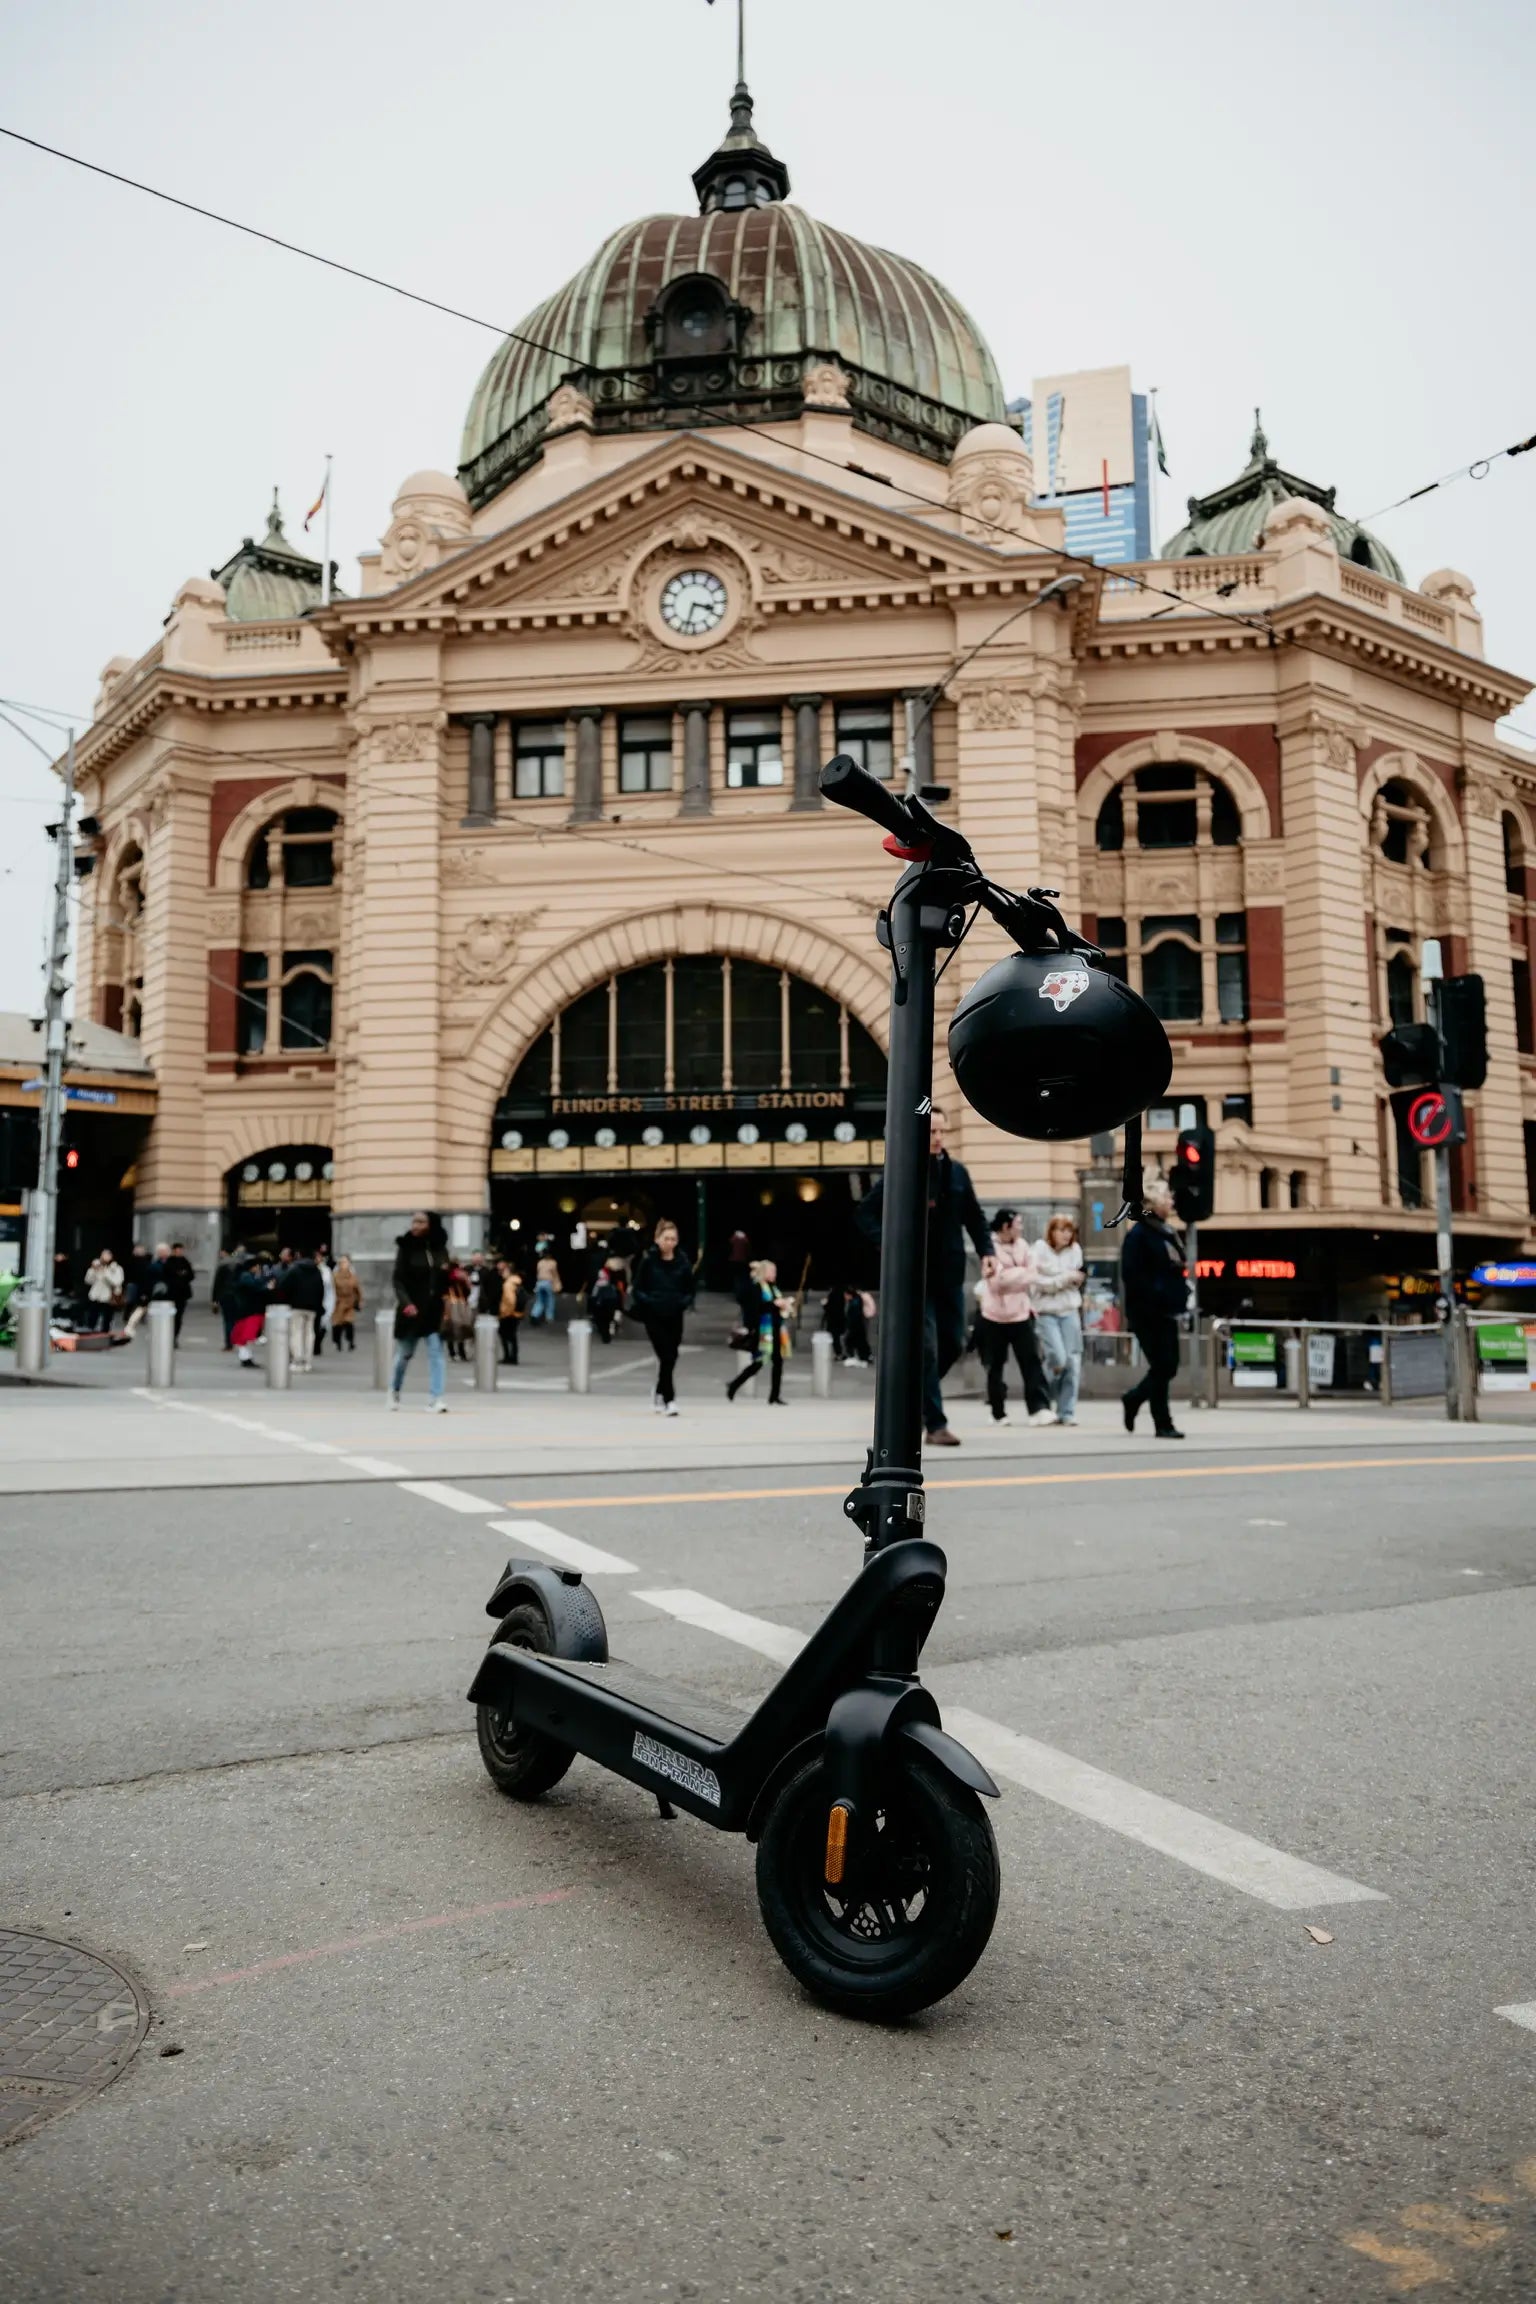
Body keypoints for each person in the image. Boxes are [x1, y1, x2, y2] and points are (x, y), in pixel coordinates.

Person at [858, 1103, 993, 1448]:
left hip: (950, 1275)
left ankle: (914, 1403)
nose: (937, 1138)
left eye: (941, 1132)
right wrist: (889, 1245)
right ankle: (935, 1424)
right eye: (931, 1132)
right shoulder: (902, 1171)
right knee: (928, 1349)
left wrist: (987, 1253)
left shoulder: (958, 1173)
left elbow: (975, 1218)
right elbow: (866, 1214)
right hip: (913, 1278)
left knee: (953, 1344)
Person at [1120, 1176, 1189, 1438]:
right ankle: (1161, 1421)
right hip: (1147, 1312)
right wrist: (1156, 1295)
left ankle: (1137, 1401)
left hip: (1167, 1309)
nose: (1171, 1202)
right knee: (1163, 1366)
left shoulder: (1165, 1231)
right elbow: (1132, 1275)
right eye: (1167, 1197)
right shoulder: (1138, 1234)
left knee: (1167, 1366)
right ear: (1155, 1201)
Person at [976, 1210, 1054, 1426]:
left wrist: (1013, 1275)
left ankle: (1039, 1409)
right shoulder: (989, 1247)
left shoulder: (1023, 1246)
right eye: (1017, 1223)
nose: (1020, 1227)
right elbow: (996, 1282)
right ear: (1005, 1226)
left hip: (1021, 1314)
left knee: (1031, 1362)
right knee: (995, 1366)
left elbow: (1033, 1272)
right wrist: (1021, 1274)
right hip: (994, 1316)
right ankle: (998, 1412)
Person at [629, 1217, 695, 1415]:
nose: (670, 1243)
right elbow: (637, 1288)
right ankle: (670, 1399)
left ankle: (659, 1390)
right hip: (654, 1314)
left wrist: (682, 1302)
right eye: (666, 1238)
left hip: (674, 1314)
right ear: (657, 1239)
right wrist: (649, 1302)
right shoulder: (648, 1261)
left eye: (673, 1239)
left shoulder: (683, 1262)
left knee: (672, 1355)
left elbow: (689, 1289)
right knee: (665, 1354)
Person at [390, 1211, 451, 1411]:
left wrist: (453, 1274)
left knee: (436, 1353)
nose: (415, 1225)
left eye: (421, 1222)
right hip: (412, 1310)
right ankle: (394, 1391)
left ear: (431, 1224)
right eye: (414, 1221)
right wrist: (406, 1303)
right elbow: (398, 1279)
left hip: (433, 1310)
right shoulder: (406, 1247)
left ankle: (436, 1398)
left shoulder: (440, 1248)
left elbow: (444, 1278)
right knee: (404, 1355)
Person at [1032, 1212, 1085, 1427]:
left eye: (1069, 1230)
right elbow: (1038, 1282)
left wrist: (1059, 1279)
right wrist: (1064, 1278)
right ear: (1052, 1231)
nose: (1066, 1235)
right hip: (1046, 1312)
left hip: (1069, 1309)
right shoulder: (1039, 1250)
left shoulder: (1075, 1251)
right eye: (1062, 1230)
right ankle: (1042, 1399)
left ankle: (1067, 1410)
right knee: (1057, 1358)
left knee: (1072, 1362)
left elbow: (1076, 1278)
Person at [728, 1258, 791, 1404]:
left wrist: (784, 1305)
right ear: (764, 1272)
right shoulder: (757, 1287)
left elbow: (775, 1306)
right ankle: (734, 1384)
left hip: (776, 1328)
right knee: (759, 1362)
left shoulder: (773, 1287)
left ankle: (774, 1395)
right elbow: (757, 1308)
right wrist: (775, 1304)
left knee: (778, 1362)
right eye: (772, 1271)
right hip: (763, 1330)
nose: (774, 1274)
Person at [275, 1246, 324, 1371]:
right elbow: (321, 1289)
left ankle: (298, 1360)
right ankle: (308, 1361)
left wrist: (285, 1299)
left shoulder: (294, 1269)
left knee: (296, 1332)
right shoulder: (317, 1271)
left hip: (296, 1305)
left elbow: (283, 1286)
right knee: (309, 1333)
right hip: (312, 1307)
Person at [231, 1254, 270, 1366]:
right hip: (249, 1310)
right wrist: (266, 1287)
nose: (258, 1269)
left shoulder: (246, 1276)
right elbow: (255, 1289)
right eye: (257, 1266)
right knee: (247, 1335)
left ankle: (246, 1357)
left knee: (245, 1336)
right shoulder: (247, 1277)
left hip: (247, 1310)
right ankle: (246, 1357)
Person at [83, 1249, 123, 1332]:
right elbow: (88, 1281)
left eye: (107, 1256)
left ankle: (105, 1333)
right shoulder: (97, 1267)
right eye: (103, 1256)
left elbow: (117, 1282)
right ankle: (91, 1330)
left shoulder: (116, 1268)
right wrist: (93, 1270)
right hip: (96, 1295)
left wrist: (105, 1273)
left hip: (108, 1297)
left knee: (107, 1318)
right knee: (92, 1315)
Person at [442, 1266, 475, 1361]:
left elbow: (468, 1292)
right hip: (452, 1307)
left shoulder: (461, 1281)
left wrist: (466, 1281)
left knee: (460, 1329)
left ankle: (460, 1352)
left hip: (459, 1307)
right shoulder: (449, 1280)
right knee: (452, 1328)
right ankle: (453, 1352)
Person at [496, 1258, 526, 1363]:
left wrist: (505, 1313)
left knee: (504, 1335)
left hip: (509, 1314)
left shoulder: (508, 1284)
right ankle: (513, 1356)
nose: (502, 1273)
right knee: (512, 1336)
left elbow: (510, 1300)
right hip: (517, 1313)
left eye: (503, 1271)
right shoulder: (517, 1281)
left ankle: (508, 1356)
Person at [210, 1248, 241, 1350]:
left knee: (228, 1320)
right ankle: (237, 1339)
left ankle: (229, 1343)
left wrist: (214, 1300)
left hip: (225, 1295)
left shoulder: (222, 1265)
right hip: (237, 1295)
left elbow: (217, 1284)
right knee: (236, 1319)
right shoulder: (239, 1264)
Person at [330, 1254, 361, 1349]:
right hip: (338, 1303)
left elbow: (357, 1290)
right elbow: (331, 1289)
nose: (343, 1264)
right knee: (337, 1324)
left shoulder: (352, 1276)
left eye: (345, 1262)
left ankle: (350, 1341)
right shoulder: (335, 1276)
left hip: (349, 1303)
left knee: (349, 1323)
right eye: (341, 1262)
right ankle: (337, 1342)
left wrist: (358, 1301)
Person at [588, 1261, 621, 1343]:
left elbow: (593, 1295)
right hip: (608, 1301)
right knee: (606, 1319)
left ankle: (605, 1335)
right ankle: (606, 1335)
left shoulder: (598, 1284)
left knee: (602, 1320)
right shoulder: (611, 1281)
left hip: (602, 1302)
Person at [530, 1248, 560, 1325]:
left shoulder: (540, 1263)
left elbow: (537, 1273)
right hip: (548, 1283)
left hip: (540, 1283)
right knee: (550, 1300)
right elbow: (555, 1274)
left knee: (539, 1300)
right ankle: (549, 1317)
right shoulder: (553, 1263)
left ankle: (534, 1314)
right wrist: (557, 1284)